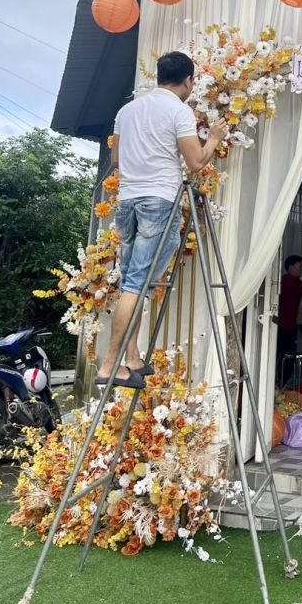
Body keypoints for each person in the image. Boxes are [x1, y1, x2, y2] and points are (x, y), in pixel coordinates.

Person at [96, 51, 228, 389]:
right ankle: (110, 364)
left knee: (133, 279)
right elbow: (196, 162)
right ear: (188, 81)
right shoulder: (178, 111)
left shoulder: (126, 111)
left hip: (127, 202)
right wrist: (212, 138)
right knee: (136, 284)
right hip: (158, 201)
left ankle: (132, 357)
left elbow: (115, 158)